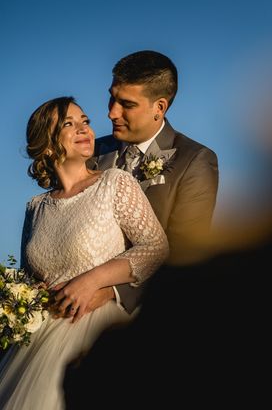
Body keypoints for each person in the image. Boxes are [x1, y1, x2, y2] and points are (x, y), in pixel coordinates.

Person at [0, 96, 169, 409]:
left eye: (86, 122)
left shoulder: (115, 183)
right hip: (40, 340)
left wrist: (92, 281)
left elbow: (156, 247)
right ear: (47, 146)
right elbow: (29, 276)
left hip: (98, 332)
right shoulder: (35, 207)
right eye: (69, 124)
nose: (85, 129)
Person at [88, 50, 219, 314]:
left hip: (142, 315)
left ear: (159, 107)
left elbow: (183, 255)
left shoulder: (194, 161)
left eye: (127, 104)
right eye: (111, 98)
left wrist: (112, 292)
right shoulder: (90, 152)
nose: (112, 113)